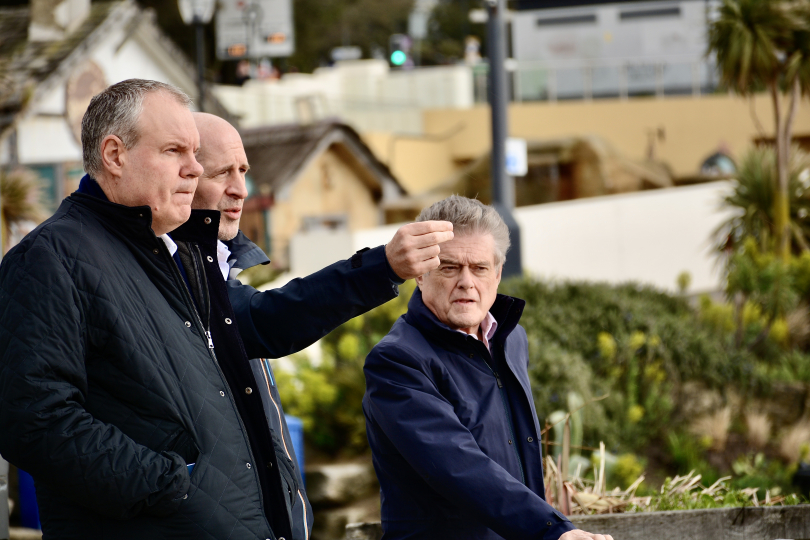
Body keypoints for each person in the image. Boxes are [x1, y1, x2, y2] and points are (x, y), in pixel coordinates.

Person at [0, 79, 447, 540]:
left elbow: (265, 322)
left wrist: (381, 267)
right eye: (176, 151)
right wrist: (171, 484)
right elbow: (32, 420)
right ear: (114, 156)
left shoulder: (177, 255)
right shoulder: (50, 259)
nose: (194, 170)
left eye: (197, 156)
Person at [189, 112, 455, 539]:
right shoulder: (177, 277)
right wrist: (381, 266)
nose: (240, 189)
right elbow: (268, 319)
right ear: (181, 175)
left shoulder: (219, 265)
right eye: (222, 173)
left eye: (243, 172)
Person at [362, 196, 613, 540]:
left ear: (496, 275)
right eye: (449, 267)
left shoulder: (511, 339)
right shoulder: (396, 361)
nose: (467, 281)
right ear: (420, 275)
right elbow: (458, 466)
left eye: (479, 268)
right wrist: (552, 530)